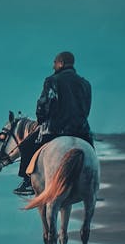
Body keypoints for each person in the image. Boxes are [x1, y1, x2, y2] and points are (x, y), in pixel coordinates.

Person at [13, 51, 93, 196]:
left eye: (55, 62)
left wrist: (41, 119)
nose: (53, 66)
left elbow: (44, 104)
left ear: (61, 63)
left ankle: (27, 183)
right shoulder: (85, 84)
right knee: (91, 153)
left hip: (55, 130)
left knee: (25, 146)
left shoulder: (52, 81)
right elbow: (87, 108)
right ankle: (92, 183)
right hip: (81, 131)